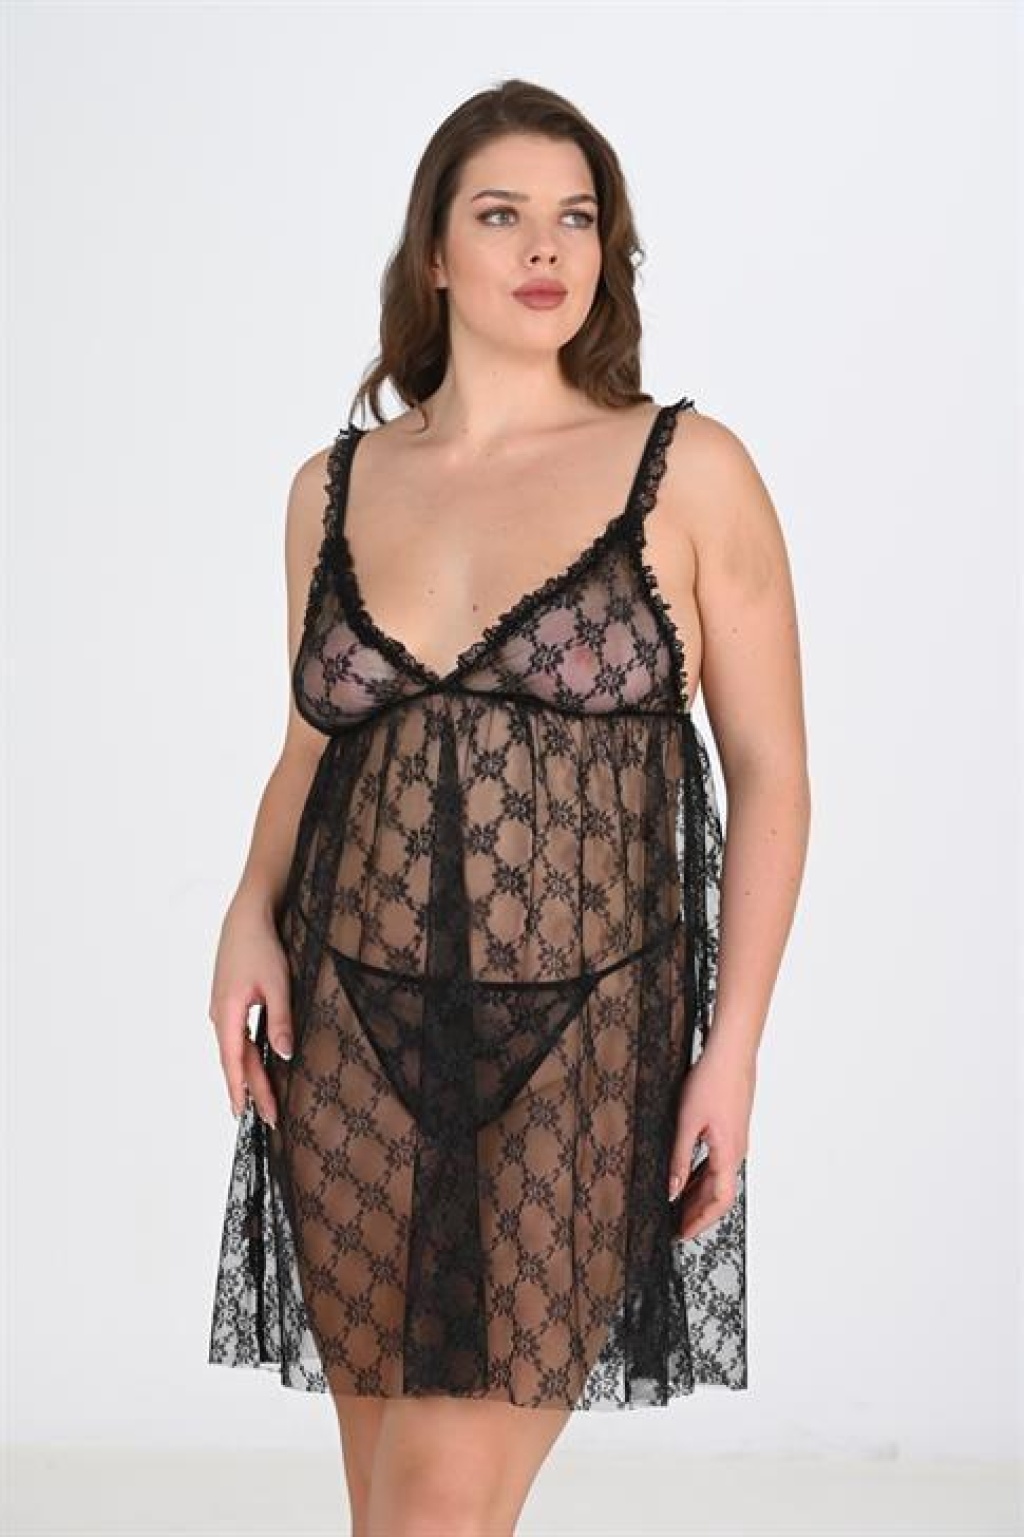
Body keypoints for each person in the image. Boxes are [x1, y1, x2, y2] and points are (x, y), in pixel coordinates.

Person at [206, 78, 811, 1537]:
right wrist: (243, 913)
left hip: (586, 1037)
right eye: (501, 215)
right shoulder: (334, 485)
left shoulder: (689, 470)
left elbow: (773, 774)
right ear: (434, 252)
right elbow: (312, 746)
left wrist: (731, 1048)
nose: (547, 248)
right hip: (348, 1029)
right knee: (388, 1516)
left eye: (577, 219)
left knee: (435, 1509)